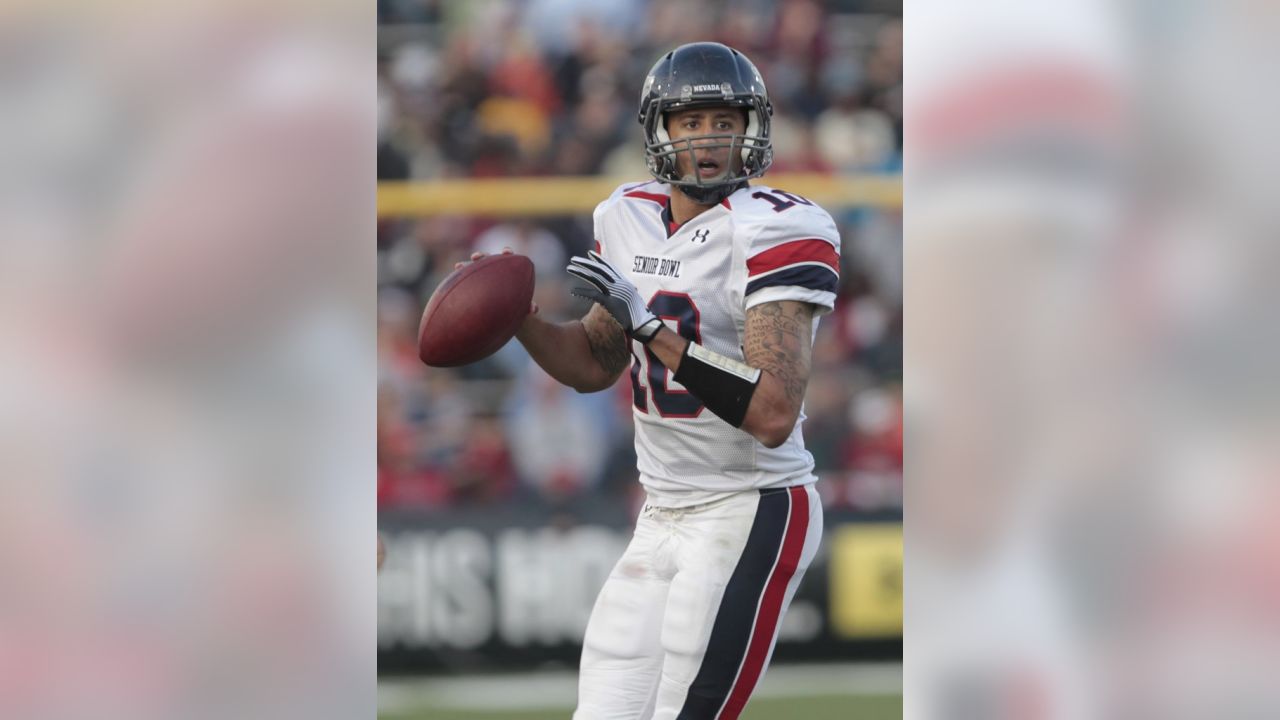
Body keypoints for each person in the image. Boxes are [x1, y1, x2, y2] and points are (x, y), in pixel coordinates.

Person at [467, 41, 840, 719]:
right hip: (660, 515)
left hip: (752, 506)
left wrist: (649, 330)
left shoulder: (778, 229)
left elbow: (774, 412)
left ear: (752, 129)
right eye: (689, 123)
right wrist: (516, 321)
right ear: (658, 131)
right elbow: (592, 364)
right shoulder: (626, 214)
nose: (708, 139)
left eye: (724, 120)